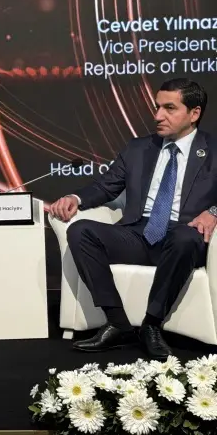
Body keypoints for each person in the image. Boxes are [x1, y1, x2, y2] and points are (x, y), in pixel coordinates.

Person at [49, 78, 215, 359]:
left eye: (169, 108)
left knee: (185, 237)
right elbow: (106, 186)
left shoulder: (213, 150)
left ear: (194, 113)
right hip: (139, 233)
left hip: (183, 237)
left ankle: (152, 324)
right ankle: (118, 323)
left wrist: (213, 212)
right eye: (157, 107)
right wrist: (75, 198)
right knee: (80, 230)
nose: (158, 116)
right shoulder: (139, 148)